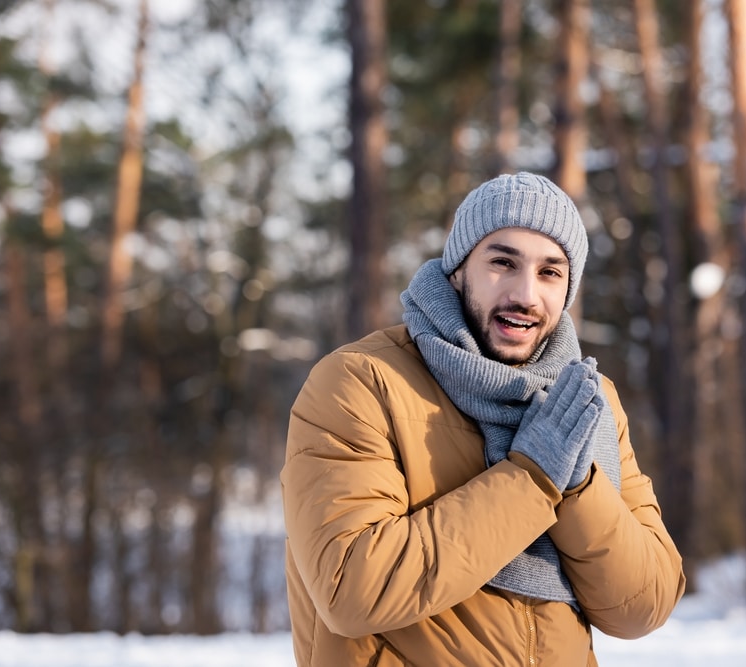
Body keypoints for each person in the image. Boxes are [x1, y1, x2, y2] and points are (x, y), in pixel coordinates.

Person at [281, 172, 685, 666]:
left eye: (550, 272)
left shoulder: (587, 402)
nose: (525, 294)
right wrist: (533, 478)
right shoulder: (361, 383)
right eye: (502, 262)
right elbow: (352, 588)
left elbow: (644, 605)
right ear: (458, 269)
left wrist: (579, 486)